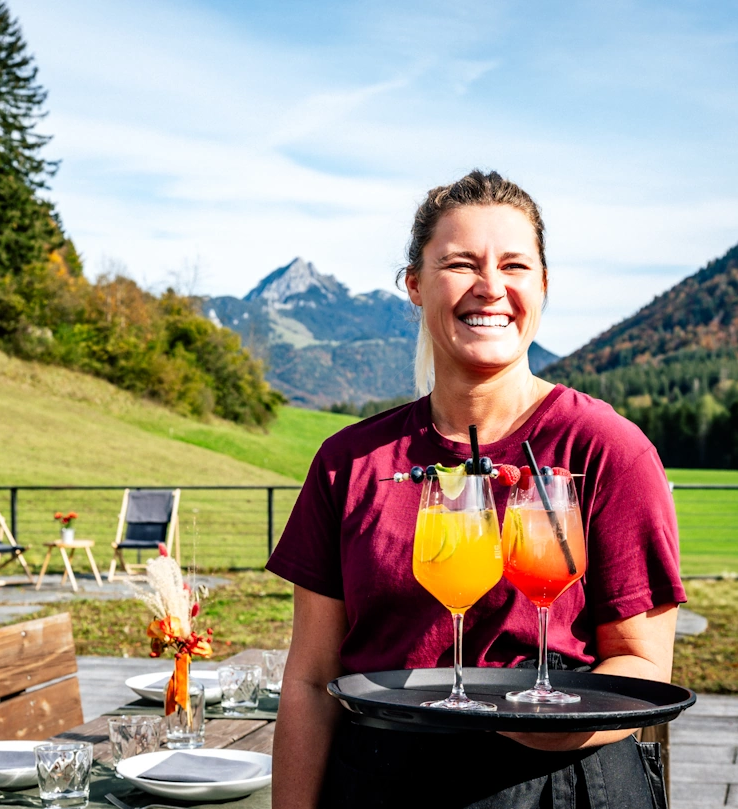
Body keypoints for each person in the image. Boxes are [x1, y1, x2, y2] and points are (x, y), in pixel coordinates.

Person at [266, 170, 686, 809]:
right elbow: (310, 678)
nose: (491, 287)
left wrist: (534, 721)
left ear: (542, 285)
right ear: (414, 285)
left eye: (515, 265)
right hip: (378, 779)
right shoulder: (346, 462)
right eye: (461, 264)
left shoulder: (608, 450)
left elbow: (643, 666)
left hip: (557, 786)